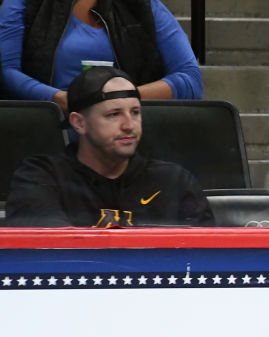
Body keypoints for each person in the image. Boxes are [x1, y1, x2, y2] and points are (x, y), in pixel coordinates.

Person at [5, 66, 214, 227]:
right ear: (79, 123)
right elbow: (46, 255)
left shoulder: (173, 182)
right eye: (113, 115)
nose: (129, 126)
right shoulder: (41, 178)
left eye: (135, 112)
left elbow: (205, 260)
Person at [0, 0, 202, 112]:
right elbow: (6, 72)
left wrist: (118, 99)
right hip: (51, 127)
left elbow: (190, 79)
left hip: (124, 134)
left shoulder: (143, 6)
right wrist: (63, 100)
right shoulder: (25, 4)